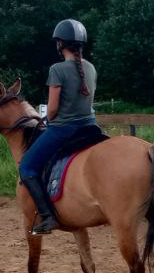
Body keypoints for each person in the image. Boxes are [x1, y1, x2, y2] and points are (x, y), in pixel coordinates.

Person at [18, 18, 97, 234]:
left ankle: (47, 216)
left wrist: (48, 119)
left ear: (60, 43)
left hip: (64, 129)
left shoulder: (57, 69)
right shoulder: (90, 68)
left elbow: (51, 110)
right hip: (91, 128)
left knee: (26, 167)